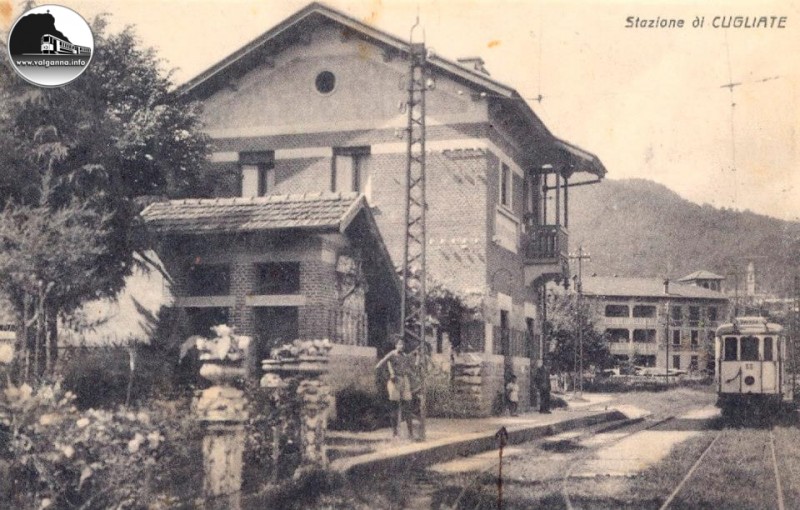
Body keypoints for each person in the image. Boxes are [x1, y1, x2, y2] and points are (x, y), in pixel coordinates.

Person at [375, 337, 414, 438]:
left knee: (407, 406)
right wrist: (388, 376)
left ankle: (410, 433)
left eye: (403, 344)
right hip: (394, 382)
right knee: (394, 407)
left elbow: (410, 368)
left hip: (404, 380)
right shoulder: (392, 354)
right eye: (399, 344)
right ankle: (395, 433)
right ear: (396, 345)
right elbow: (379, 366)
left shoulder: (405, 356)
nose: (401, 346)